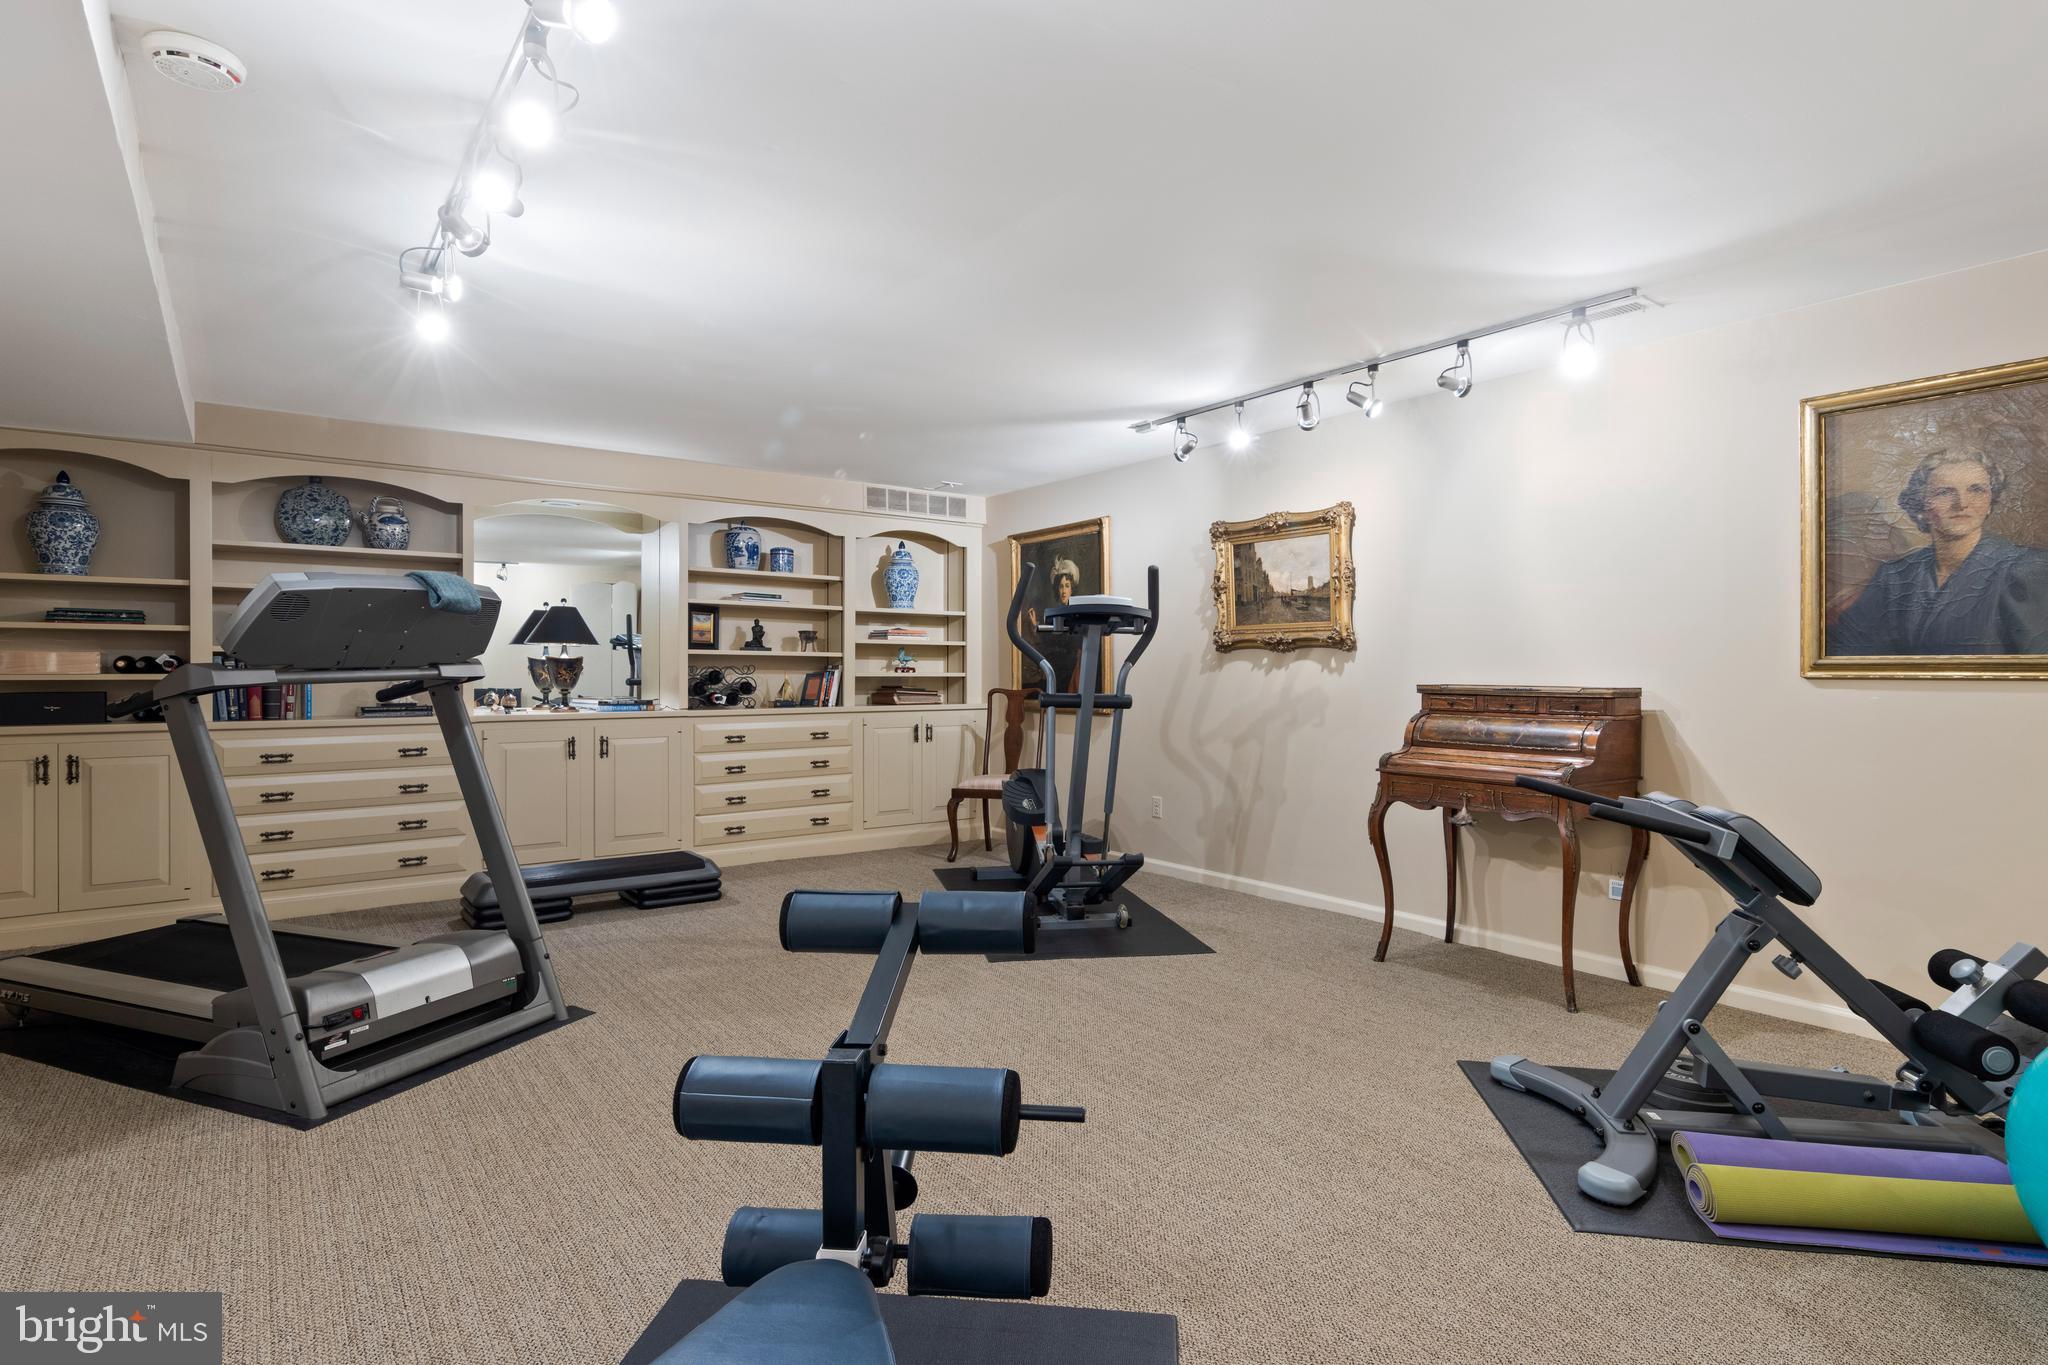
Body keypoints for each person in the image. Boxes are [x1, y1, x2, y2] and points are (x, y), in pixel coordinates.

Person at [1830, 449, 2048, 656]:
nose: (1962, 503)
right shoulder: (1894, 576)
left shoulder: (2028, 570)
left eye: (1976, 490)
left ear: (1990, 502)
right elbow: (1850, 651)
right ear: (1922, 504)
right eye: (1944, 492)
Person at [1022, 556, 1085, 690]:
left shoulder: (1077, 613)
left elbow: (1072, 643)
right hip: (1055, 666)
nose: (1063, 591)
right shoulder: (1053, 613)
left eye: (1067, 586)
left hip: (1071, 666)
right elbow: (1047, 641)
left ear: (1072, 589)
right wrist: (1035, 625)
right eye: (1061, 586)